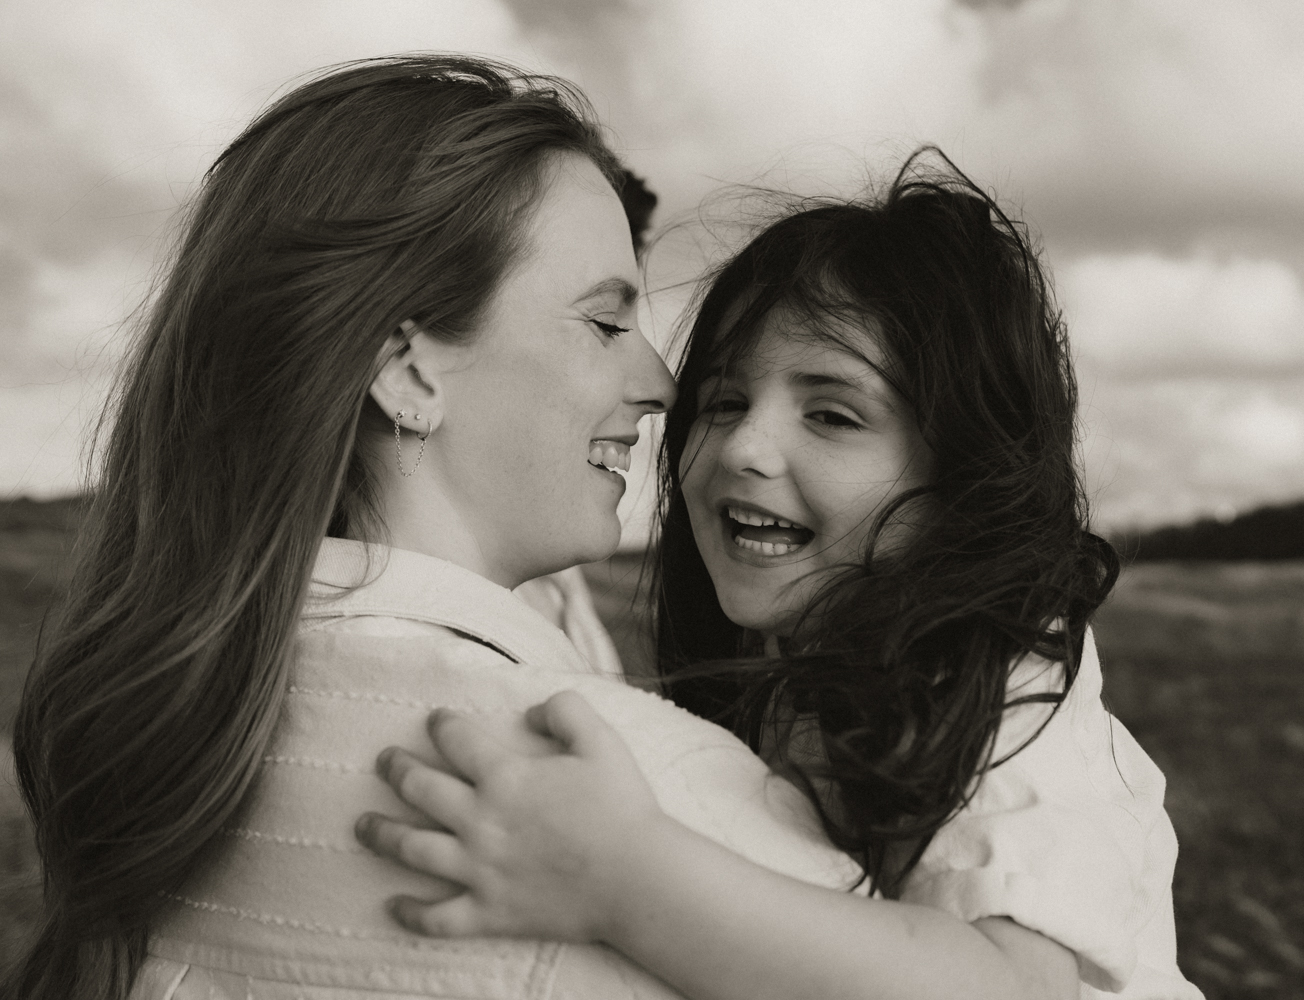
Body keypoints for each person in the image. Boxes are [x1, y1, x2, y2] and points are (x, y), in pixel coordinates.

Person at [4, 55, 891, 1000]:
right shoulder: (646, 802)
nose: (663, 385)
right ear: (410, 371)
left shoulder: (168, 747)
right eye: (604, 322)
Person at [356, 154, 1205, 1000]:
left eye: (832, 415)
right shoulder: (781, 674)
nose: (743, 447)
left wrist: (625, 876)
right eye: (724, 402)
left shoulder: (1009, 683)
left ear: (965, 478)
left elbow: (1009, 988)